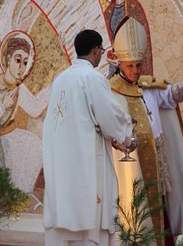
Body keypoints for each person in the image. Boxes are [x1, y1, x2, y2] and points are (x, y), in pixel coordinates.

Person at [109, 16, 183, 245]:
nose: (135, 70)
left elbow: (171, 96)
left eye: (138, 65)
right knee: (140, 213)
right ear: (119, 63)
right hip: (134, 163)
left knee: (164, 211)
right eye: (129, 65)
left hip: (158, 158)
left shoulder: (148, 86)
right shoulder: (112, 92)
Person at [42, 30, 134, 246]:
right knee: (88, 224)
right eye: (101, 50)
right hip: (87, 164)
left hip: (63, 167)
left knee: (66, 214)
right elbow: (110, 118)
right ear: (96, 50)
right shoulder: (92, 78)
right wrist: (127, 138)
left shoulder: (60, 79)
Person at [0, 32, 49, 195]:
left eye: (25, 62)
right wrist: (3, 107)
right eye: (17, 60)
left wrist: (52, 87)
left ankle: (21, 194)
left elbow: (35, 108)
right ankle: (13, 193)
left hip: (11, 133)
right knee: (25, 146)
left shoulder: (19, 87)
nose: (21, 67)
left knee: (36, 145)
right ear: (7, 59)